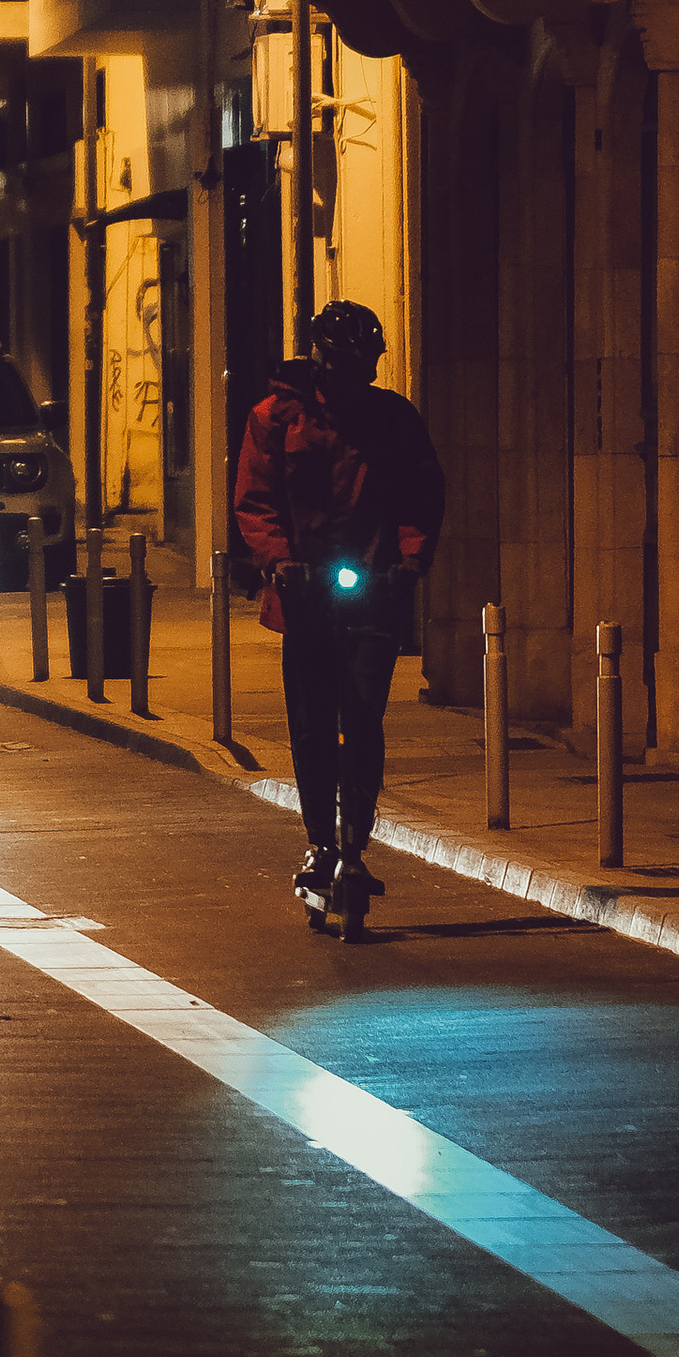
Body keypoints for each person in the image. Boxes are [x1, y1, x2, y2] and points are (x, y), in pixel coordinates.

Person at [232, 300, 445, 930]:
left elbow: (421, 490)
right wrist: (278, 560)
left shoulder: (392, 419)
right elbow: (255, 497)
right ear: (321, 364)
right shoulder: (276, 418)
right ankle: (321, 840)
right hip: (303, 594)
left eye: (364, 371)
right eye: (343, 370)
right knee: (313, 724)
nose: (354, 384)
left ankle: (356, 840)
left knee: (363, 714)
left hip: (373, 586)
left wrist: (410, 558)